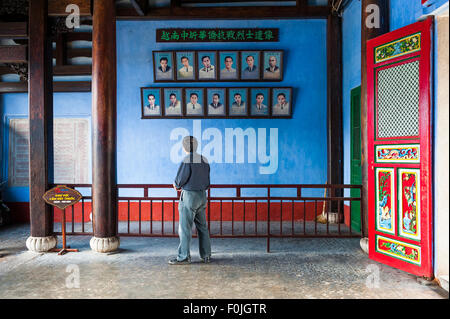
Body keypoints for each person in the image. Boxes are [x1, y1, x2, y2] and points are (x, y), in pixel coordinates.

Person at [170, 136, 212, 265]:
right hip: (202, 196)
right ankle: (206, 255)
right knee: (202, 227)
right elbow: (207, 182)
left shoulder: (187, 160)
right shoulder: (204, 160)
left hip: (189, 196)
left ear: (184, 147)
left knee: (185, 227)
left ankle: (184, 257)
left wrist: (176, 185)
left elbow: (180, 180)